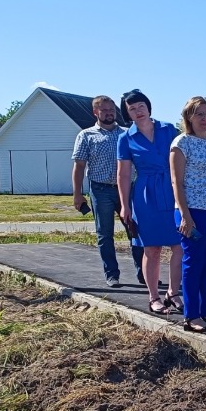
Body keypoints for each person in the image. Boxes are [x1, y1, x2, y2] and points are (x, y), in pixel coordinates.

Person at [117, 89, 183, 315]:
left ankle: (173, 292)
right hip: (145, 195)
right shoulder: (125, 138)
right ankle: (153, 297)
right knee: (151, 249)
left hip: (172, 190)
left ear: (148, 106)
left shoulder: (169, 129)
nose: (138, 111)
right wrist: (124, 205)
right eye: (132, 109)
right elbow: (123, 175)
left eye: (141, 106)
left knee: (180, 245)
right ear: (127, 114)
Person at [169, 96, 206, 332]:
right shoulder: (181, 143)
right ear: (189, 117)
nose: (205, 119)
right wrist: (185, 215)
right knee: (193, 264)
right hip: (192, 211)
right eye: (199, 114)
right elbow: (176, 182)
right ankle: (191, 315)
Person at [71, 95, 142, 287]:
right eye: (105, 110)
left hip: (127, 188)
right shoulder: (86, 135)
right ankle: (112, 275)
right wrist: (77, 193)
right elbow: (79, 166)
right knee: (105, 234)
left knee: (135, 230)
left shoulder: (127, 134)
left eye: (112, 110)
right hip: (101, 189)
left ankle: (144, 273)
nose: (109, 113)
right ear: (96, 112)